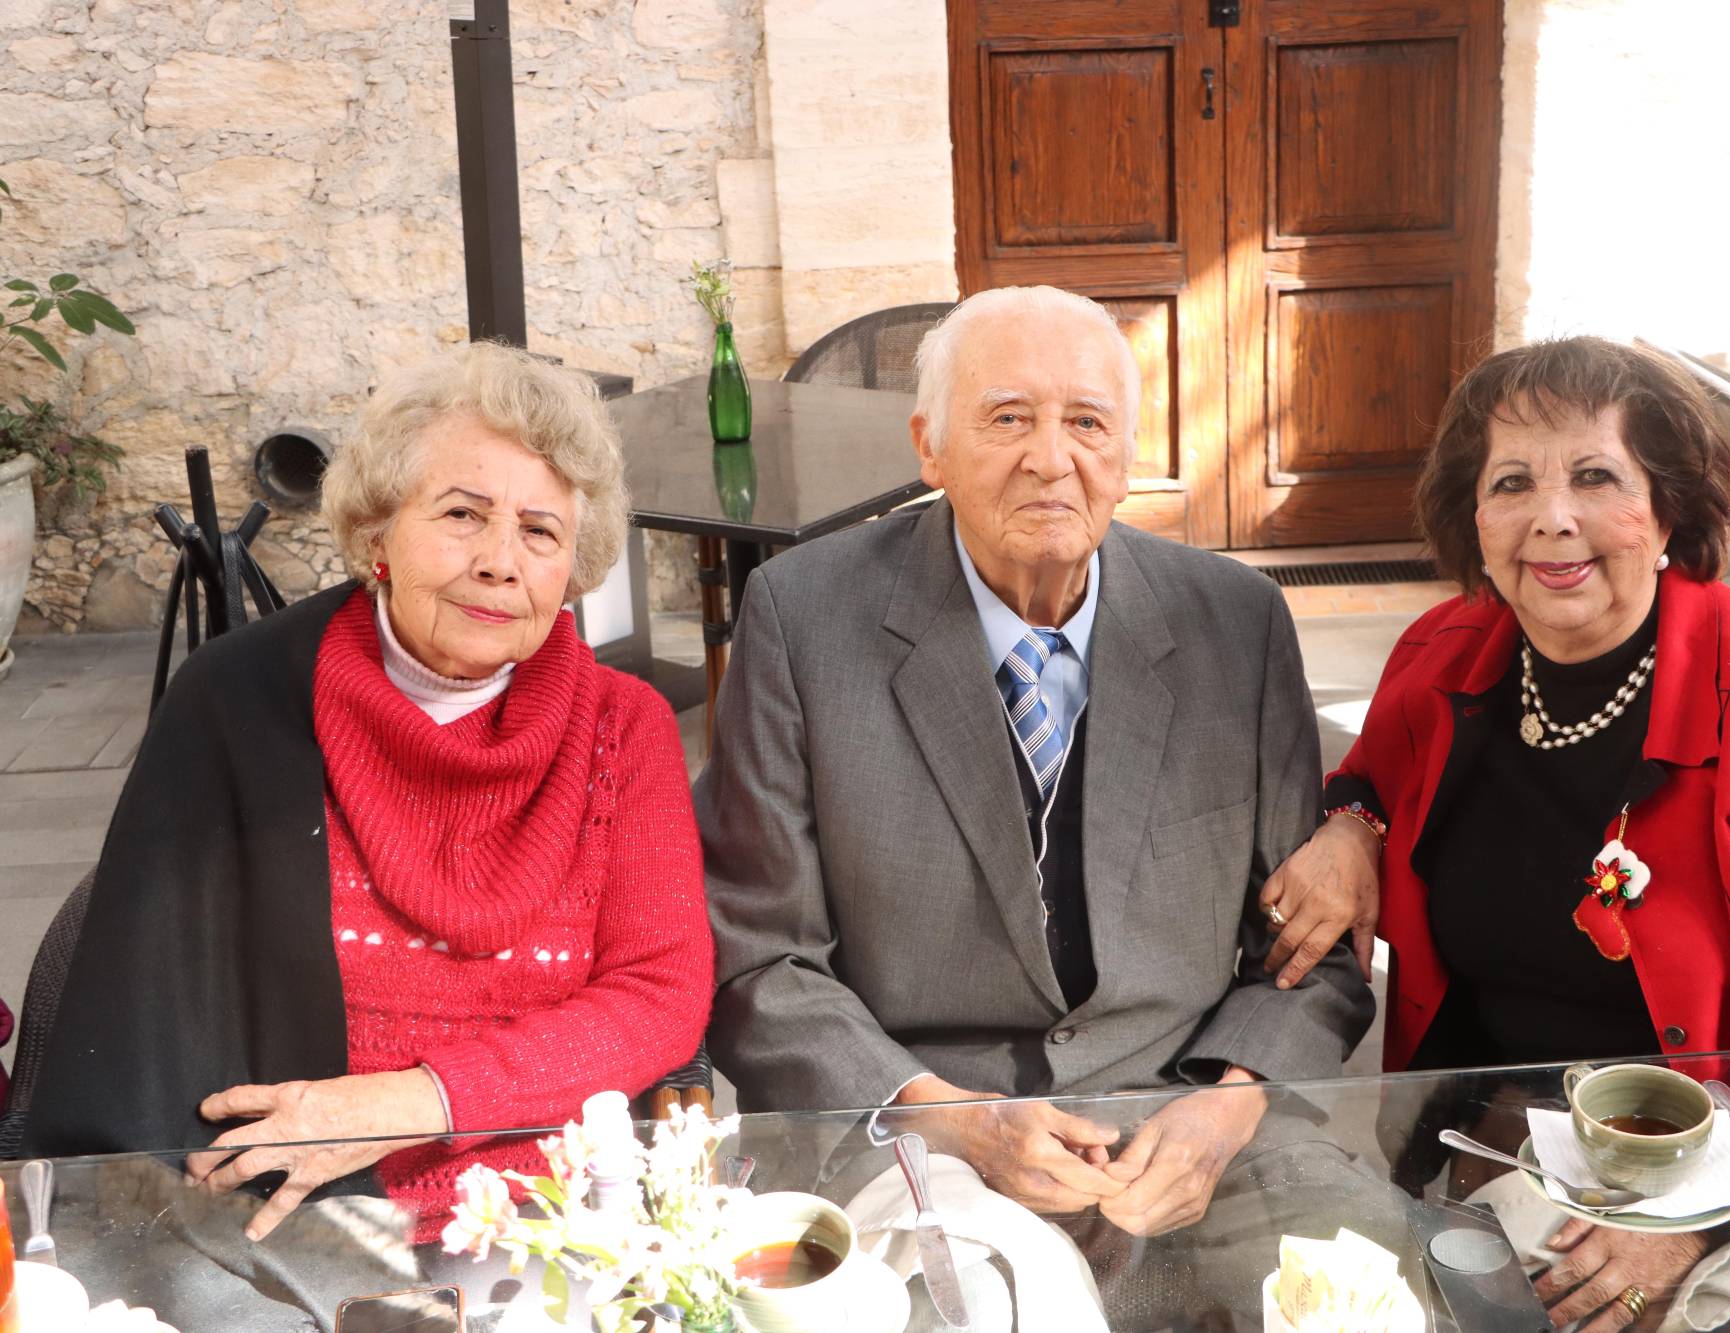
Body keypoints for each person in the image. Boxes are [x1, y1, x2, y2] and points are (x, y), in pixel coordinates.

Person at [1263, 335, 1730, 1328]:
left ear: (1666, 513)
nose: (1551, 518)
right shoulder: (1442, 660)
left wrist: (1697, 1210)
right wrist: (1350, 827)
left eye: (1595, 476)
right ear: (1471, 518)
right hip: (1503, 1150)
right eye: (1510, 481)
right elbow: (1364, 783)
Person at [696, 286, 1375, 1262]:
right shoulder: (801, 617)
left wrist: (1228, 1107)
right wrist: (950, 1118)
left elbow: (1307, 952)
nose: (1050, 458)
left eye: (1086, 422)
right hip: (917, 1130)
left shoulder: (1235, 621)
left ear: (1127, 453)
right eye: (1006, 418)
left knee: (1361, 1294)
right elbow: (761, 960)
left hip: (1182, 1119)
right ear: (928, 446)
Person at [16, 342, 712, 1242]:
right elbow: (145, 1037)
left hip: (554, 1216)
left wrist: (411, 1100)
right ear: (378, 531)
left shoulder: (628, 727)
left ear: (574, 568)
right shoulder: (239, 701)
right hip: (294, 1224)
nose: (502, 560)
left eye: (541, 531)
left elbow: (658, 995)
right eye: (463, 513)